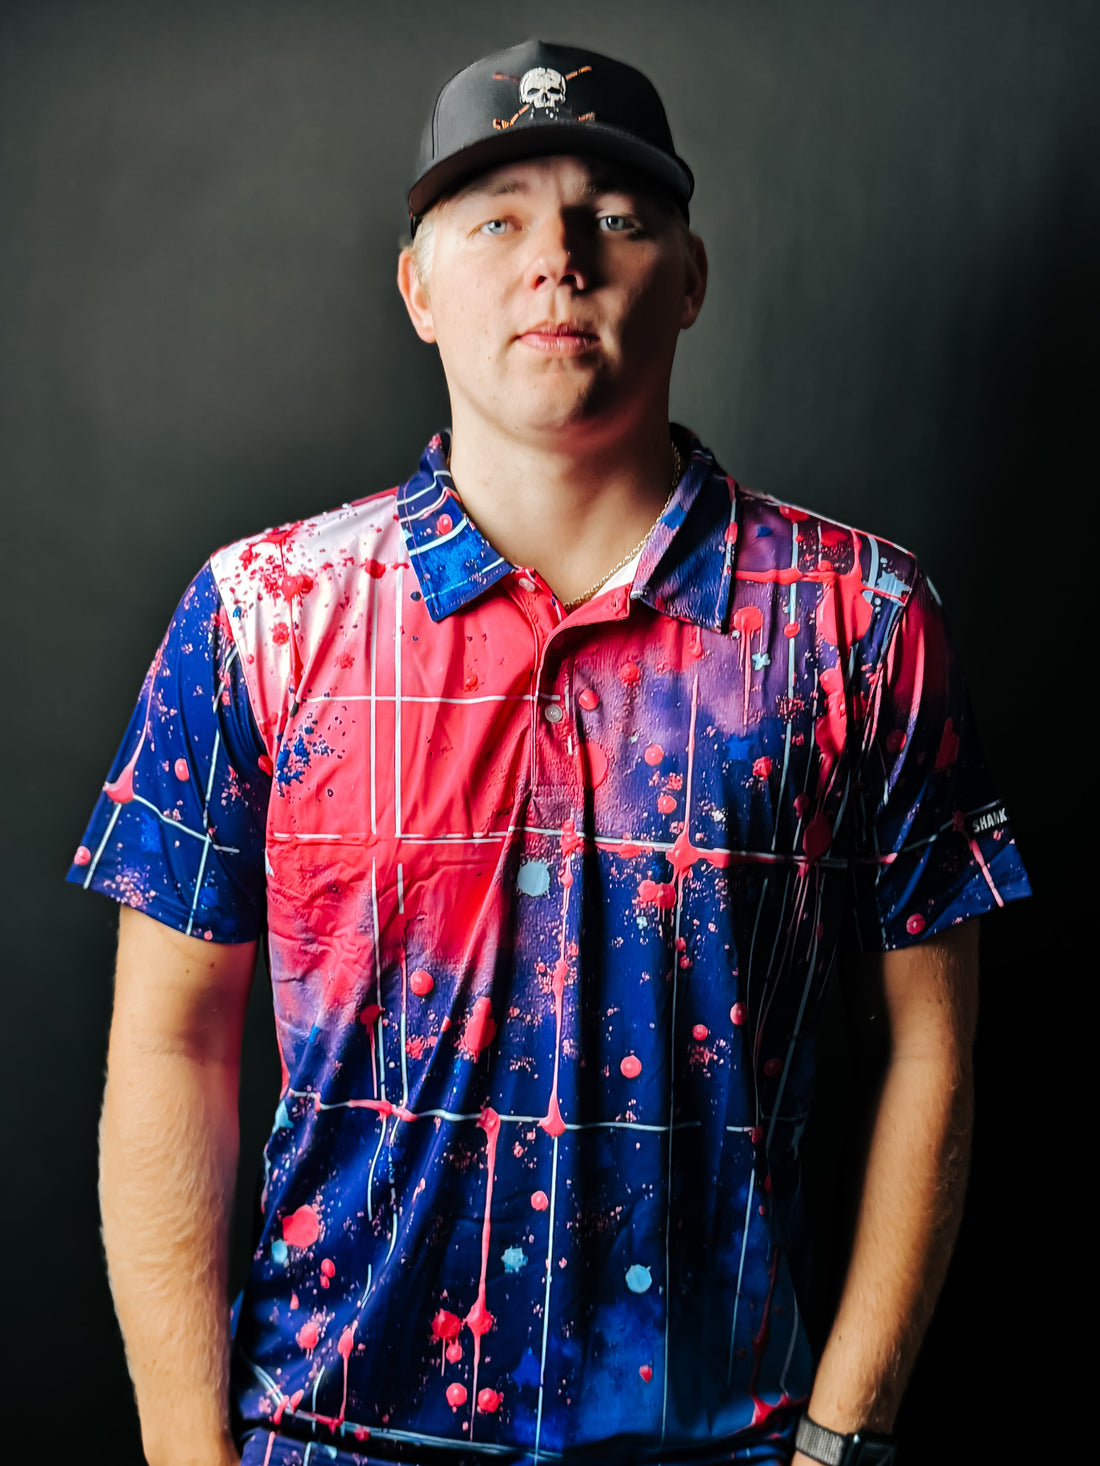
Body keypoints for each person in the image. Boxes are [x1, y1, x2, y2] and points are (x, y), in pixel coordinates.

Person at [69, 38, 1030, 1466]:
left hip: (717, 1441)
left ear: (689, 277)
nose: (557, 261)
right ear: (417, 287)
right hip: (326, 1437)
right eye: (496, 219)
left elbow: (931, 1046)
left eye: (615, 218)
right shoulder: (261, 615)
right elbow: (171, 1042)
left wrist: (845, 1434)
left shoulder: (859, 619)